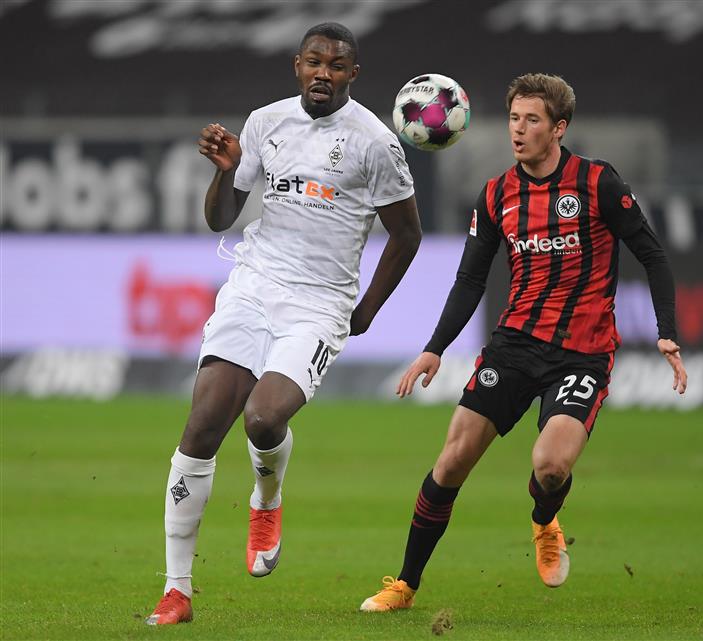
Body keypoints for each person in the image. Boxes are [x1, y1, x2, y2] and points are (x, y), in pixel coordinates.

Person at [359, 72, 688, 612]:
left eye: (532, 120)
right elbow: (469, 281)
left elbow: (653, 256)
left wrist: (667, 332)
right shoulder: (496, 195)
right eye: (514, 118)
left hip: (583, 351)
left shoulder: (598, 183)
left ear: (558, 128)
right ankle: (405, 584)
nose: (519, 129)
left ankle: (543, 519)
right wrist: (434, 347)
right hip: (513, 345)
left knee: (551, 466)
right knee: (452, 462)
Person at [146, 22, 422, 625]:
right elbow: (222, 218)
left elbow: (407, 235)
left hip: (320, 304)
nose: (324, 72)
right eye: (315, 62)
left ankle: (266, 499)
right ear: (297, 65)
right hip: (252, 285)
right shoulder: (265, 122)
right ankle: (176, 592)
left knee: (264, 416)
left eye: (338, 65)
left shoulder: (375, 142)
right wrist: (225, 170)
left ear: (354, 74)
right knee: (200, 428)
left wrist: (366, 309)